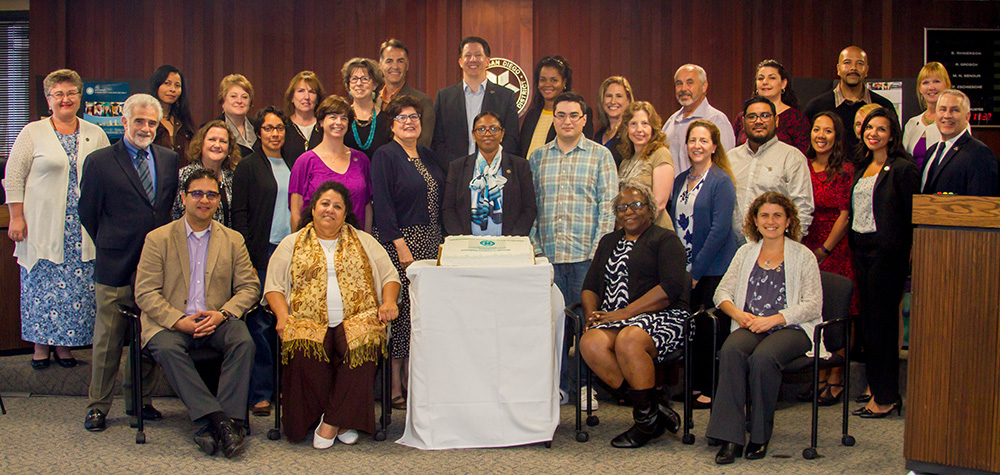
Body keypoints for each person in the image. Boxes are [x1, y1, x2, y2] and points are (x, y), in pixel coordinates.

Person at [264, 181, 400, 447]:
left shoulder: (364, 240)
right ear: (313, 209)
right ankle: (344, 419)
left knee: (363, 344)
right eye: (325, 203)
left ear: (346, 213)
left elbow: (389, 276)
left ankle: (330, 423)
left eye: (337, 206)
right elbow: (273, 287)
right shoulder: (292, 243)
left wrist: (389, 302)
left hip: (360, 316)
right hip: (307, 319)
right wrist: (282, 316)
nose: (330, 210)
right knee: (304, 347)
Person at [134, 168, 259, 459]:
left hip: (217, 320)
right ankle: (218, 421)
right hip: (172, 323)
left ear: (219, 200)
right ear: (183, 197)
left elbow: (249, 287)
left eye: (212, 195)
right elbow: (145, 292)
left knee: (243, 341)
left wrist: (224, 314)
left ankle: (221, 422)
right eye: (197, 193)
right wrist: (178, 321)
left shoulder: (233, 239)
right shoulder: (158, 238)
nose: (204, 200)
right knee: (165, 348)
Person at [79, 93, 179, 432]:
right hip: (115, 264)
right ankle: (98, 406)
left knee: (147, 338)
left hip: (155, 268)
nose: (146, 128)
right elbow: (88, 213)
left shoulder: (168, 159)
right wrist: (111, 242)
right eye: (139, 121)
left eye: (152, 123)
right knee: (108, 339)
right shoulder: (101, 161)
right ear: (124, 122)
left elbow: (161, 211)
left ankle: (139, 402)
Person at [3, 69, 110, 369]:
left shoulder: (95, 132)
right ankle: (40, 346)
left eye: (71, 93)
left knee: (74, 290)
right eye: (58, 94)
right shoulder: (32, 132)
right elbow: (13, 175)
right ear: (49, 99)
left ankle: (64, 347)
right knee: (42, 288)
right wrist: (16, 217)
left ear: (79, 97)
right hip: (42, 224)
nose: (65, 99)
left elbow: (105, 177)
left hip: (81, 229)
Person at [706, 192, 823, 465]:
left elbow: (813, 304)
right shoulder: (745, 252)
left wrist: (774, 319)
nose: (771, 221)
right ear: (755, 222)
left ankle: (759, 435)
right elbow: (722, 291)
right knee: (732, 350)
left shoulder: (803, 256)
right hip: (751, 324)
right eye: (764, 216)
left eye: (777, 215)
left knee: (762, 359)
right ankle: (730, 437)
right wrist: (737, 313)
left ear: (788, 220)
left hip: (792, 328)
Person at [578, 183, 688, 448]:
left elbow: (669, 289)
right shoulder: (608, 241)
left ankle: (643, 423)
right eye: (622, 207)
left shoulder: (665, 239)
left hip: (663, 315)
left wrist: (624, 313)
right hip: (615, 319)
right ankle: (652, 410)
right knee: (589, 342)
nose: (629, 211)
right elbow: (590, 286)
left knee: (628, 339)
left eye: (637, 205)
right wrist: (593, 316)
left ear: (650, 209)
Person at [530, 91, 617, 407]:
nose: (567, 121)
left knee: (587, 326)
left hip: (586, 257)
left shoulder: (599, 156)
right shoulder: (537, 158)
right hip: (549, 257)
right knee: (552, 327)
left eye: (574, 115)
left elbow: (608, 208)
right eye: (561, 115)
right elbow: (532, 209)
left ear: (584, 119)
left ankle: (583, 386)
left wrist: (598, 254)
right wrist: (537, 250)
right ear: (554, 119)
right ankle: (557, 385)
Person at [371, 95, 444, 411]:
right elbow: (383, 205)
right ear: (391, 125)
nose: (410, 121)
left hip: (431, 242)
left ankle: (418, 379)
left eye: (414, 116)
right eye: (402, 118)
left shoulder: (429, 156)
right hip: (399, 244)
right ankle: (394, 385)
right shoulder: (385, 156)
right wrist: (400, 245)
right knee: (399, 314)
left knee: (423, 314)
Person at [849, 107, 919, 419]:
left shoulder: (903, 169)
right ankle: (877, 391)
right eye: (869, 128)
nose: (873, 133)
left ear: (892, 134)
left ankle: (887, 396)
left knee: (883, 326)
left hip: (887, 254)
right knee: (869, 324)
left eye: (881, 129)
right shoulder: (862, 166)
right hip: (861, 250)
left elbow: (912, 219)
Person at [668, 119, 738, 408]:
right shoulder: (680, 179)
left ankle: (711, 389)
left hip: (713, 269)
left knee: (711, 332)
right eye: (692, 140)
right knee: (692, 330)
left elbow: (720, 230)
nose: (697, 146)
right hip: (685, 268)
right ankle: (694, 386)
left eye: (703, 141)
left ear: (714, 146)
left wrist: (696, 272)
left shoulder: (721, 181)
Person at [231, 106, 295, 417]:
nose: (275, 133)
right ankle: (261, 391)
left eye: (279, 128)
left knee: (286, 322)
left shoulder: (294, 163)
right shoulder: (248, 166)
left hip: (289, 253)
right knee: (259, 324)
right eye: (268, 128)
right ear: (259, 132)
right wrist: (245, 251)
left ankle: (285, 386)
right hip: (260, 253)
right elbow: (238, 213)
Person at [800, 112, 858, 405]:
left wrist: (825, 249)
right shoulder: (802, 165)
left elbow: (846, 213)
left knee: (837, 314)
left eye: (828, 131)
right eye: (816, 130)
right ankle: (818, 376)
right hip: (804, 246)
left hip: (834, 248)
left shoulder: (845, 170)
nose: (820, 135)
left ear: (837, 136)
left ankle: (835, 378)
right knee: (814, 312)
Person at [729, 97, 814, 243]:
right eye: (752, 116)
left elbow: (803, 207)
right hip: (733, 249)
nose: (758, 121)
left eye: (765, 116)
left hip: (775, 247)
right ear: (743, 122)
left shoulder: (791, 157)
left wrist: (787, 246)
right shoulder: (730, 158)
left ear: (776, 121)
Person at [442, 111, 536, 236]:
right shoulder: (458, 167)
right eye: (481, 129)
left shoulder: (520, 166)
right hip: (467, 248)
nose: (487, 133)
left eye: (493, 129)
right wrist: (462, 240)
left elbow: (529, 208)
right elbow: (448, 209)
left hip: (509, 247)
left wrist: (513, 240)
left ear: (502, 134)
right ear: (474, 135)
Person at [432, 36, 520, 167]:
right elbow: (437, 141)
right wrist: (456, 168)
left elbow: (511, 139)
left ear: (487, 61)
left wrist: (491, 166)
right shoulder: (444, 97)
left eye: (478, 55)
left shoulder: (505, 97)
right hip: (454, 175)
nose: (473, 59)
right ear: (460, 62)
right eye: (468, 55)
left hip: (494, 175)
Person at [289, 95, 372, 231]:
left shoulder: (361, 160)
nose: (338, 122)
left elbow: (367, 206)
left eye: (344, 118)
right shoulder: (305, 162)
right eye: (333, 117)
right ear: (321, 122)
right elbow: (296, 213)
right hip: (316, 245)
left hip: (355, 243)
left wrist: (367, 242)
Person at [802, 46, 895, 154]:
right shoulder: (817, 106)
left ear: (867, 70)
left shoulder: (883, 106)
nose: (853, 68)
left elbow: (894, 147)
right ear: (838, 69)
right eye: (847, 63)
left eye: (860, 63)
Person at [660, 64, 735, 177]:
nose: (683, 89)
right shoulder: (671, 121)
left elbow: (723, 166)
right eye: (679, 83)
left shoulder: (717, 120)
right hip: (673, 193)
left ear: (704, 86)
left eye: (690, 83)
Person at [921, 89, 998, 196]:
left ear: (967, 117)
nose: (947, 115)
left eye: (955, 110)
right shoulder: (931, 151)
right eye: (942, 109)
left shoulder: (980, 153)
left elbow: (982, 204)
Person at [519, 56, 594, 158]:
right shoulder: (532, 115)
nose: (547, 84)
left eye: (554, 80)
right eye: (543, 80)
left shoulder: (579, 113)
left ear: (564, 82)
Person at [616, 101, 674, 230]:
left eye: (645, 124)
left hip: (654, 232)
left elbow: (659, 204)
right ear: (626, 128)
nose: (639, 130)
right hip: (631, 232)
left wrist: (634, 228)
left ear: (653, 127)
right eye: (633, 124)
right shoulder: (626, 161)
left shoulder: (660, 154)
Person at [732, 60, 810, 154]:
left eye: (772, 78)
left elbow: (803, 157)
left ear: (783, 83)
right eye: (760, 78)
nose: (765, 82)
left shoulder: (796, 119)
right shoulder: (742, 117)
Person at [173, 121, 240, 227]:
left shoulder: (232, 177)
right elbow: (178, 214)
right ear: (201, 143)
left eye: (223, 141)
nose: (217, 145)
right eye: (212, 140)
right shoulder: (185, 175)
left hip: (226, 240)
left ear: (229, 148)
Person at [376, 38, 435, 147]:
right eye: (389, 61)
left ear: (407, 65)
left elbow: (424, 143)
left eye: (400, 61)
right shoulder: (373, 100)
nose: (395, 67)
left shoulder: (422, 101)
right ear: (380, 64)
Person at [902, 62, 951, 168]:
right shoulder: (912, 123)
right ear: (920, 88)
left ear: (947, 86)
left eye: (936, 81)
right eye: (925, 82)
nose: (931, 87)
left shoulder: (956, 122)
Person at [342, 58, 391, 160]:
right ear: (349, 85)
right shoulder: (342, 118)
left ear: (375, 85)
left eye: (365, 79)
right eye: (354, 79)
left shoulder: (387, 120)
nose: (359, 84)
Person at [149, 65, 195, 166]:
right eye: (167, 84)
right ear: (156, 85)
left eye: (177, 85)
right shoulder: (147, 121)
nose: (172, 89)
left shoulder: (183, 120)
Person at [282, 71, 327, 162]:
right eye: (301, 91)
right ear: (292, 97)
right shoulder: (283, 126)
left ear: (318, 98)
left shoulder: (325, 126)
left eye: (311, 92)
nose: (307, 97)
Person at [592, 76, 634, 168]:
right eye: (609, 96)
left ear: (628, 101)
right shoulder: (599, 134)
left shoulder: (631, 133)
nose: (613, 101)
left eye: (619, 96)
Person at [217, 73, 257, 158]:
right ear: (223, 101)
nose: (239, 101)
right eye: (233, 96)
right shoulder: (211, 129)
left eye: (244, 97)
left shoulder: (258, 127)